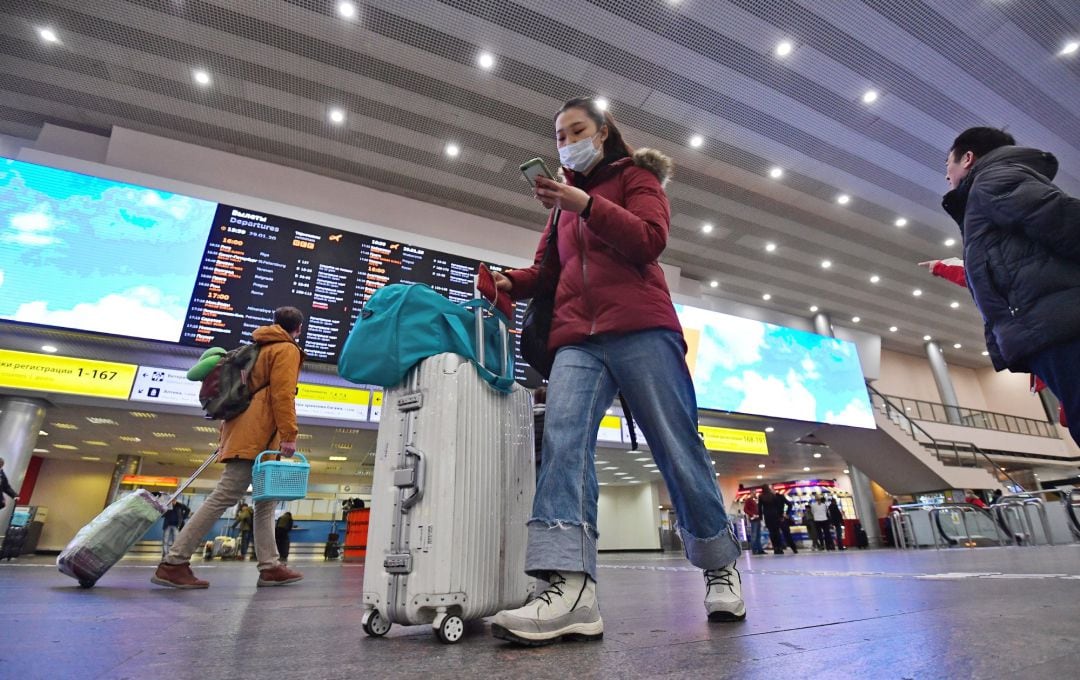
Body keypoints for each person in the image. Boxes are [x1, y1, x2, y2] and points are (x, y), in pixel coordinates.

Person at [489, 96, 745, 646]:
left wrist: (586, 205)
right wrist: (513, 281)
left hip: (642, 328)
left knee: (677, 447)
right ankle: (572, 588)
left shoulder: (636, 178)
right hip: (578, 339)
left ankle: (720, 565)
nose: (565, 143)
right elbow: (546, 270)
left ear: (603, 134)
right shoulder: (561, 205)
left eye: (576, 131)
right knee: (561, 442)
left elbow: (650, 240)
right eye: (558, 136)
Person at [940, 127, 1080, 447]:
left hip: (1061, 327)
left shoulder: (991, 181)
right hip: (1052, 327)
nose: (947, 175)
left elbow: (1064, 219)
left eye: (948, 164)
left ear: (968, 158)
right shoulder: (987, 192)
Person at [152, 306, 306, 589]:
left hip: (245, 431)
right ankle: (174, 562)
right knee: (226, 494)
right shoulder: (286, 349)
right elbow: (282, 394)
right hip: (257, 435)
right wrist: (289, 434)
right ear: (297, 329)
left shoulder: (256, 348)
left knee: (265, 501)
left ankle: (270, 566)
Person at [760, 485, 796, 555]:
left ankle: (793, 547)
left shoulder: (780, 496)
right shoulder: (767, 498)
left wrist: (786, 514)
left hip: (781, 518)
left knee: (786, 533)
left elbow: (789, 504)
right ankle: (777, 548)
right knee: (775, 534)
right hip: (774, 518)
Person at [742, 490, 765, 555]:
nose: (755, 494)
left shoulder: (756, 500)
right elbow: (745, 509)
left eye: (755, 493)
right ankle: (754, 550)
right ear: (751, 493)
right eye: (753, 493)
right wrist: (752, 514)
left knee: (758, 535)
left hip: (758, 519)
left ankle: (760, 549)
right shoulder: (749, 500)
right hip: (753, 519)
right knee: (754, 535)